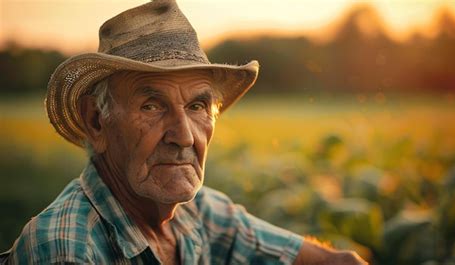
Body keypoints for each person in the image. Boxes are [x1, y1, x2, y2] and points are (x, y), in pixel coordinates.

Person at [1, 1, 367, 264]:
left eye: (197, 107)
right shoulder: (66, 250)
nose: (185, 136)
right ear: (97, 122)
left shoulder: (199, 212)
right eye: (152, 106)